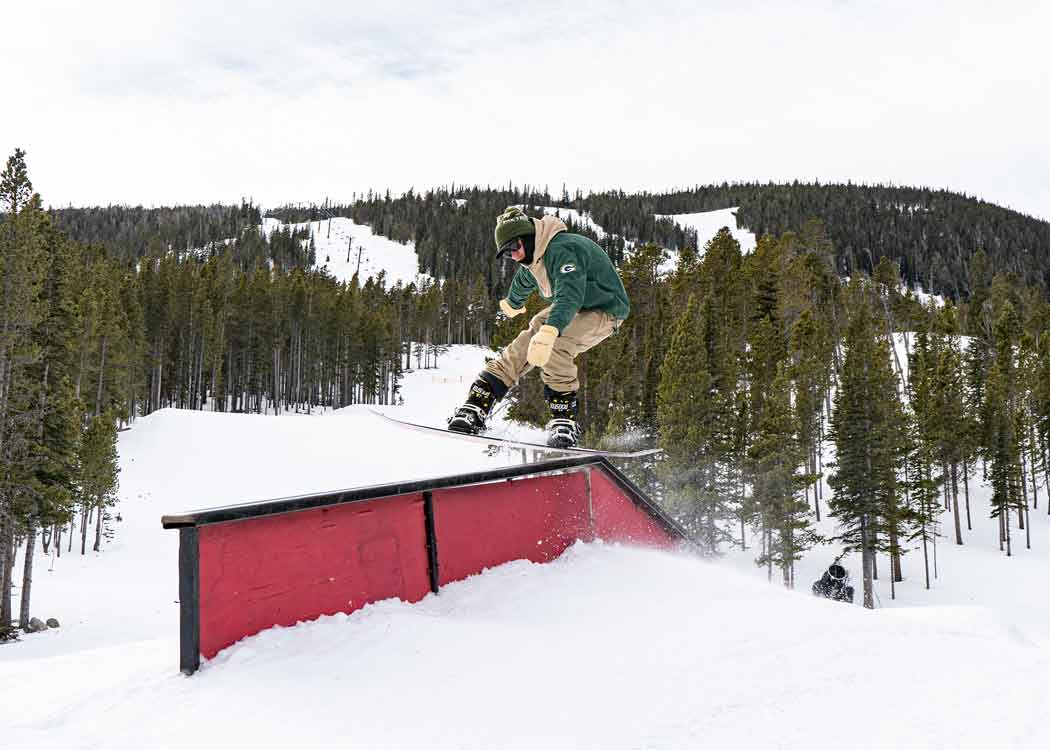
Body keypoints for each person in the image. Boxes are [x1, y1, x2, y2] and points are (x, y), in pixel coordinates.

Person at [448, 207, 630, 448]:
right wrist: (513, 303)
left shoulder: (562, 249)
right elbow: (524, 281)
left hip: (604, 310)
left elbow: (569, 295)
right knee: (528, 338)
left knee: (554, 342)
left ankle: (565, 420)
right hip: (577, 307)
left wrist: (552, 328)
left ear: (528, 237)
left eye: (513, 248)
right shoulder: (534, 258)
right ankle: (477, 404)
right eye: (506, 253)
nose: (512, 256)